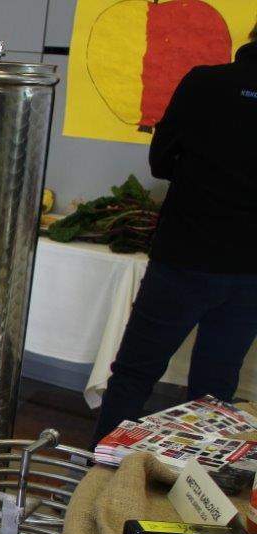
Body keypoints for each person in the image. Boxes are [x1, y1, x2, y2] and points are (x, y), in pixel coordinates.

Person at [91, 21, 257, 445]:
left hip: (185, 255)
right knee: (215, 390)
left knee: (135, 373)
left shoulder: (205, 83)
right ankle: (189, 481)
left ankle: (101, 471)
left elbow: (161, 163)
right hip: (250, 271)